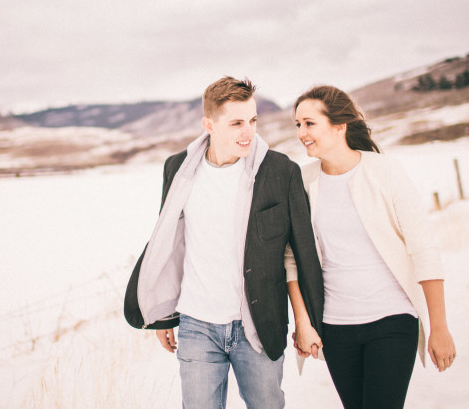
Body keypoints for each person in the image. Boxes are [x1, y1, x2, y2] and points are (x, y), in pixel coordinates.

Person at [124, 76, 324, 409]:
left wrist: (306, 322)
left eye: (252, 120)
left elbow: (299, 252)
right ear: (209, 124)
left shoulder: (280, 171)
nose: (248, 132)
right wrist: (164, 314)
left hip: (257, 325)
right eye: (236, 123)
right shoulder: (178, 168)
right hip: (196, 323)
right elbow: (171, 243)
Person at [285, 85, 456, 409]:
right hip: (336, 329)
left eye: (309, 123)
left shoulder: (384, 171)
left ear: (339, 125)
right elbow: (291, 257)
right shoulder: (303, 182)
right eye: (298, 125)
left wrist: (439, 327)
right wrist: (303, 323)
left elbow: (423, 248)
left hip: (392, 321)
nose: (301, 133)